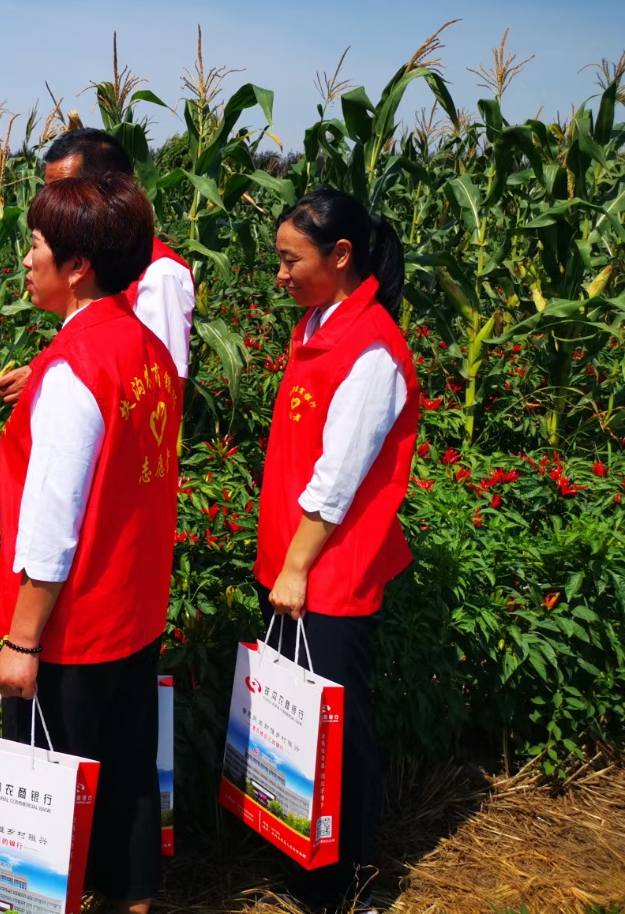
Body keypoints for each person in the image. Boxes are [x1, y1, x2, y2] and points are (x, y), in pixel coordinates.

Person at [0, 174, 182, 914]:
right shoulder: (146, 347)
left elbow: (53, 519)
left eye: (37, 245)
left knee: (54, 792)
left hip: (74, 625)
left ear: (77, 267)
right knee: (129, 772)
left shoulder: (76, 368)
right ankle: (134, 899)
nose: (26, 259)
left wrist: (22, 641)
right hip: (134, 606)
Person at [255, 189, 419, 913]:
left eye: (291, 260)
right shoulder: (320, 324)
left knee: (336, 730)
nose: (281, 275)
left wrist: (296, 567)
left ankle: (347, 879)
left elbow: (339, 477)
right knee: (298, 720)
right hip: (297, 563)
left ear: (341, 255)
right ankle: (304, 857)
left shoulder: (372, 350)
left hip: (330, 568)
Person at [0, 128, 194, 406]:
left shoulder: (160, 274)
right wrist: (43, 372)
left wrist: (52, 381)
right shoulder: (91, 261)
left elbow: (161, 386)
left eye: (64, 191)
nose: (51, 203)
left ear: (108, 191)